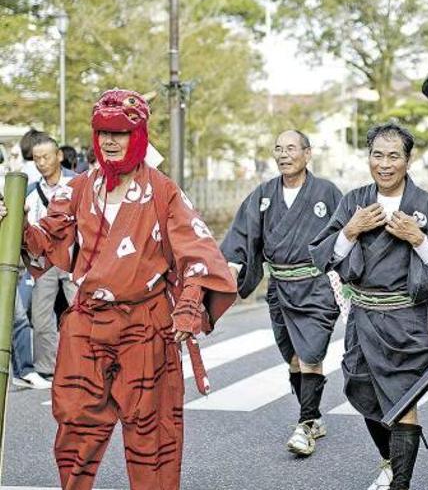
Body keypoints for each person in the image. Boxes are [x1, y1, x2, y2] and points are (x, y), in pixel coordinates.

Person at [0, 89, 238, 489]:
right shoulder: (76, 189)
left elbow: (197, 253)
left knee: (153, 434)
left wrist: (188, 305)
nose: (110, 141)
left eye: (121, 133)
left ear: (139, 135)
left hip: (145, 323)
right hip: (88, 320)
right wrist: (16, 228)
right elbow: (49, 242)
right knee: (74, 425)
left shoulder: (163, 191)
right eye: (102, 132)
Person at [310, 122, 428, 490]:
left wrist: (419, 239)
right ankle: (390, 459)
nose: (384, 164)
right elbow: (324, 256)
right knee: (361, 390)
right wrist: (350, 230)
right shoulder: (354, 203)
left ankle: (400, 482)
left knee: (404, 399)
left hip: (406, 322)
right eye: (377, 155)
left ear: (408, 160)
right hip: (362, 316)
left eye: (394, 156)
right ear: (368, 158)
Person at [221, 129, 342, 456]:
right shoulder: (263, 194)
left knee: (310, 355)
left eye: (291, 148)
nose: (284, 155)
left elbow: (348, 234)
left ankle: (304, 426)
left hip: (316, 287)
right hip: (280, 288)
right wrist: (231, 266)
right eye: (279, 149)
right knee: (292, 359)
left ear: (307, 153)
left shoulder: (327, 192)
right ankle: (314, 415)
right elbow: (241, 235)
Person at [23, 132, 78, 379]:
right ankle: (47, 367)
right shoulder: (31, 192)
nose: (41, 163)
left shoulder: (78, 184)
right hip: (44, 260)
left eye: (46, 157)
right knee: (41, 315)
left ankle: (83, 362)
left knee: (81, 310)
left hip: (74, 257)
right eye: (37, 158)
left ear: (59, 156)